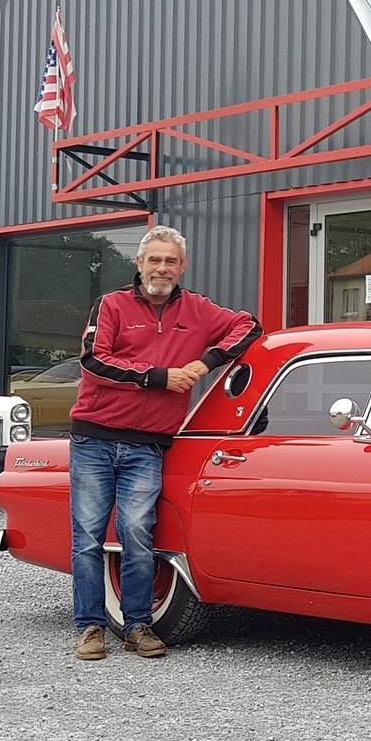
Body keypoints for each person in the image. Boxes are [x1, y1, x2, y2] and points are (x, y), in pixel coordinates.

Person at [67, 225, 260, 661]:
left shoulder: (198, 309)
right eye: (154, 259)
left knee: (137, 533)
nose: (162, 268)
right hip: (95, 438)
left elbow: (249, 325)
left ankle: (138, 625)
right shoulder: (112, 304)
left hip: (148, 445)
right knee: (88, 537)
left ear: (182, 266)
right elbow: (94, 361)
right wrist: (159, 378)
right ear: (139, 263)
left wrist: (204, 361)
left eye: (170, 261)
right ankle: (91, 627)